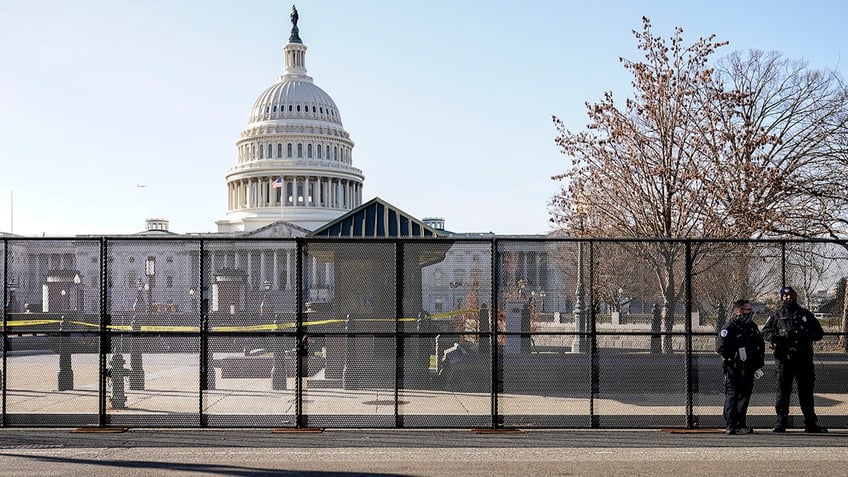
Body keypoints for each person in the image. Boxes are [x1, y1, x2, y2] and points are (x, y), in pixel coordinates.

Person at [761, 286, 828, 433]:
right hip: (784, 360)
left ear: (795, 296)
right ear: (781, 298)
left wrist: (805, 338)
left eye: (790, 295)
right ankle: (781, 422)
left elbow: (819, 333)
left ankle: (810, 423)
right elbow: (765, 332)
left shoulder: (806, 315)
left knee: (806, 392)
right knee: (783, 391)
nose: (788, 298)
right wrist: (776, 339)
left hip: (803, 359)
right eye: (785, 296)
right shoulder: (776, 316)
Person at [716, 299, 765, 435]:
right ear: (739, 311)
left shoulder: (752, 327)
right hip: (734, 367)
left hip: (749, 367)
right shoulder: (730, 327)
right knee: (732, 394)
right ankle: (730, 424)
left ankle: (740, 423)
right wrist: (733, 357)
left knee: (745, 396)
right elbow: (720, 347)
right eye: (748, 310)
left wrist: (758, 364)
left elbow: (759, 345)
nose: (751, 313)